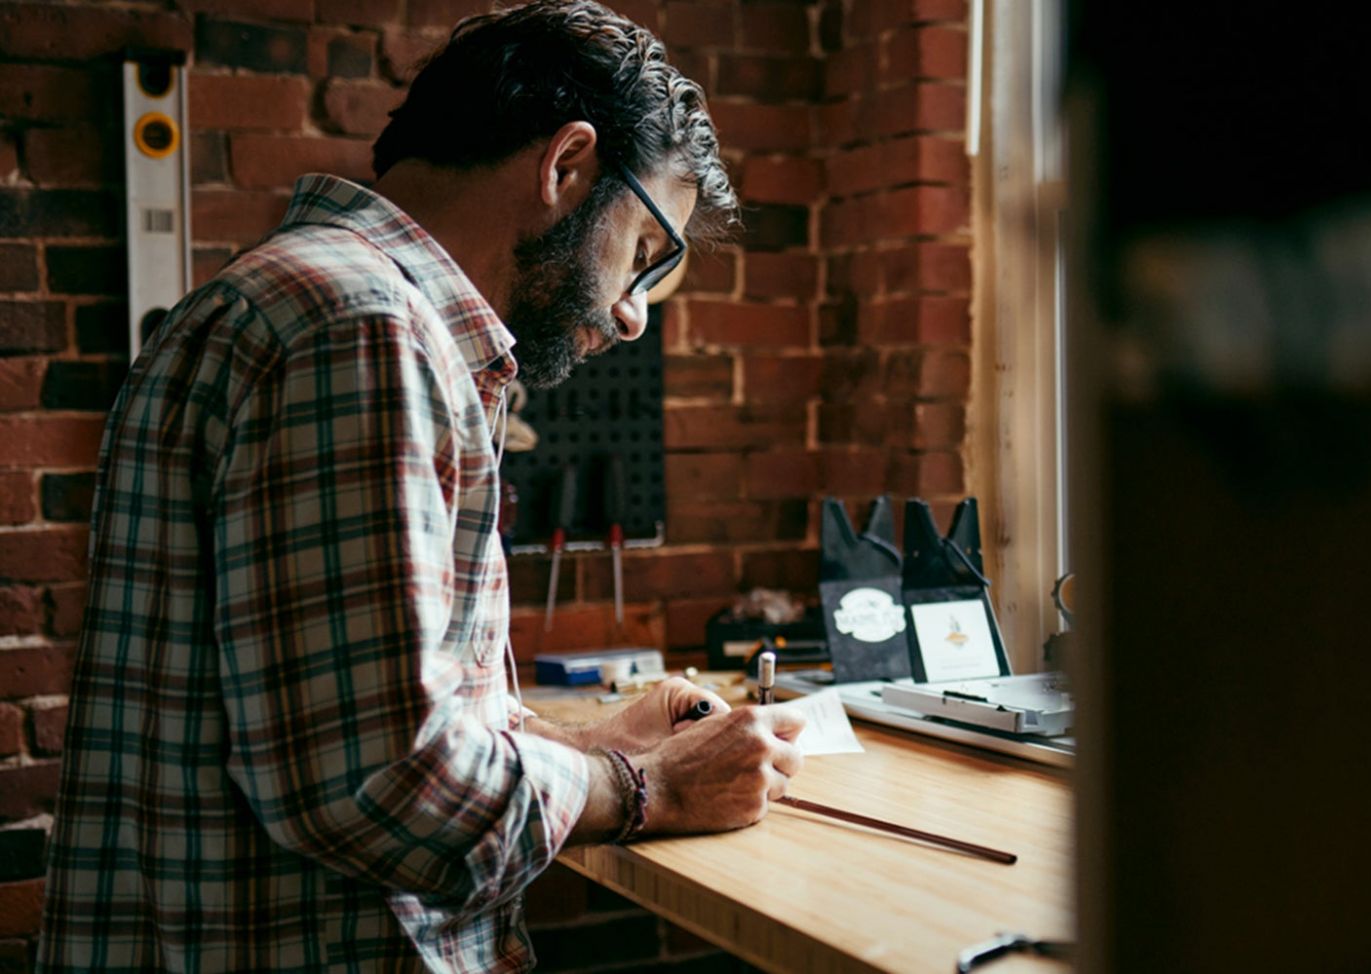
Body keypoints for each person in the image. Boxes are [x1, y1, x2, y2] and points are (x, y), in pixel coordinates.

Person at [37, 3, 806, 971]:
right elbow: (385, 787)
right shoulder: (360, 328)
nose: (631, 314)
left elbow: (349, 715)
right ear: (566, 166)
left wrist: (602, 741)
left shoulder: (314, 303)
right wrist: (652, 788)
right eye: (646, 253)